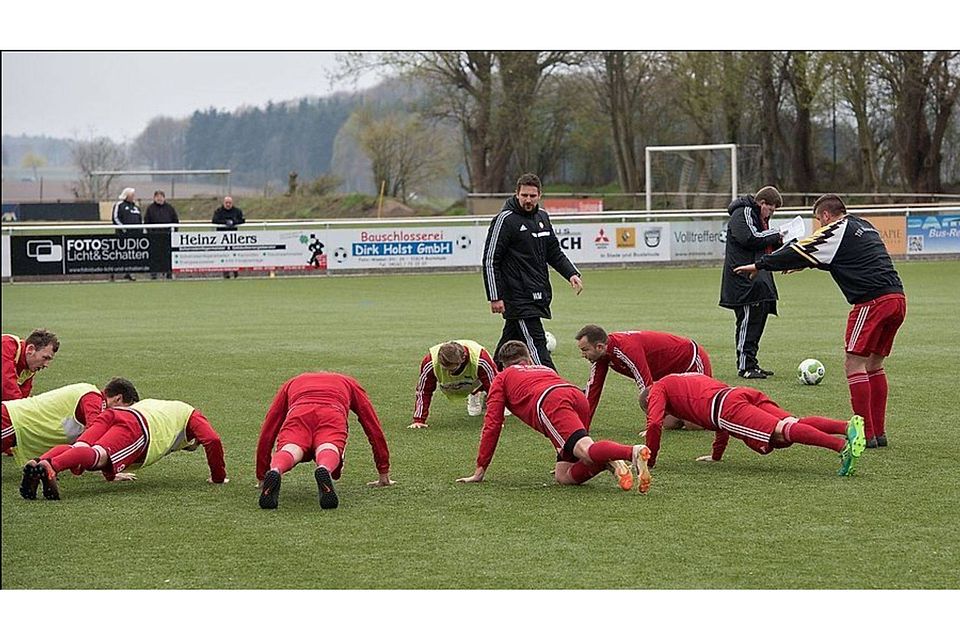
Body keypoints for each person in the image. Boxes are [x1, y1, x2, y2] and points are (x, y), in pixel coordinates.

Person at [734, 193, 907, 448]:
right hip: (897, 299)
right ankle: (878, 434)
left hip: (871, 302)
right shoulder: (864, 225)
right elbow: (845, 257)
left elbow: (801, 248)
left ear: (826, 215)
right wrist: (805, 265)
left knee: (853, 363)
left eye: (818, 220)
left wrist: (760, 265)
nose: (819, 225)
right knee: (874, 365)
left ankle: (865, 433)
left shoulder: (836, 228)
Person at [455, 340, 653, 494]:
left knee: (586, 450)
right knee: (564, 475)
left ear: (503, 365)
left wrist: (481, 468)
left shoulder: (502, 378)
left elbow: (493, 424)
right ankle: (608, 460)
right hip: (576, 396)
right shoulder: (544, 368)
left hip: (551, 402)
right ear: (529, 359)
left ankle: (631, 452)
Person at [639, 373, 866, 476]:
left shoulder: (658, 389)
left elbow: (655, 424)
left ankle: (841, 448)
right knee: (790, 423)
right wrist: (716, 455)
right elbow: (719, 424)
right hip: (739, 393)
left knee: (781, 433)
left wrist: (651, 459)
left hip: (726, 408)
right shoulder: (683, 379)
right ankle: (846, 427)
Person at [21, 397, 227, 500]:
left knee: (80, 446)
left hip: (116, 414)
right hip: (138, 427)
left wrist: (112, 475)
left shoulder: (167, 406)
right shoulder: (192, 415)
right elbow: (212, 439)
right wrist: (218, 477)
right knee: (98, 457)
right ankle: (52, 467)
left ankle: (40, 462)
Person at [482, 173, 583, 371]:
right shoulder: (505, 220)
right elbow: (490, 260)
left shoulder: (542, 217)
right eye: (524, 195)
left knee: (507, 345)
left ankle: (486, 385)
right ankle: (554, 388)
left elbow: (553, 251)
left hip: (537, 292)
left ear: (539, 195)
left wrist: (571, 273)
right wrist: (495, 296)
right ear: (517, 194)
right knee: (536, 344)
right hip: (516, 295)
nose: (528, 200)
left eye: (532, 196)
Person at [255, 372, 393, 510]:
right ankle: (324, 468)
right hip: (331, 414)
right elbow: (372, 425)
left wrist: (262, 475)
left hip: (299, 413)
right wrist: (383, 471)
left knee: (290, 448)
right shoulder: (349, 383)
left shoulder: (292, 382)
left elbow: (270, 427)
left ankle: (275, 470)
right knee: (328, 446)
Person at [3, 378, 139, 494]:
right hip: (11, 422)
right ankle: (49, 466)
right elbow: (95, 437)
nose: (122, 416)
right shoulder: (93, 399)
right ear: (118, 398)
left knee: (74, 446)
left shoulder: (89, 394)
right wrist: (110, 468)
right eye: (125, 409)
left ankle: (40, 464)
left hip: (14, 424)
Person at [575, 324, 710, 430]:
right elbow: (593, 389)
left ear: (599, 346)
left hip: (691, 360)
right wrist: (582, 427)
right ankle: (686, 411)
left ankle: (712, 414)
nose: (583, 355)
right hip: (671, 376)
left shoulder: (626, 349)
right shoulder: (602, 355)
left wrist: (651, 426)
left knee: (694, 425)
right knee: (670, 423)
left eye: (585, 350)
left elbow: (646, 386)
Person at [719, 185, 785, 379]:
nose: (770, 213)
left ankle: (752, 363)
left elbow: (762, 241)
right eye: (770, 209)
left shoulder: (758, 218)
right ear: (761, 203)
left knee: (756, 321)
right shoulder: (744, 212)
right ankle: (745, 366)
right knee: (748, 321)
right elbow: (750, 237)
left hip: (757, 280)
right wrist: (777, 234)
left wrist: (779, 241)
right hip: (744, 280)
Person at [409, 340, 499, 429]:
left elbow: (494, 387)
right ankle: (474, 393)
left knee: (491, 385)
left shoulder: (481, 359)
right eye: (445, 369)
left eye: (452, 369)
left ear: (463, 359)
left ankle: (476, 392)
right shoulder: (430, 362)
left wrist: (495, 418)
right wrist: (419, 420)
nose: (448, 373)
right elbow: (423, 391)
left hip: (475, 380)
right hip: (449, 386)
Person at [2, 329, 59, 401]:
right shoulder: (6, 344)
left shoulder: (28, 369)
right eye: (45, 358)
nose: (46, 364)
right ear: (30, 349)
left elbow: (23, 397)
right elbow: (6, 385)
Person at [144, 190, 179, 279]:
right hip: (154, 236)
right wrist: (150, 233)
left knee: (167, 255)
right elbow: (147, 222)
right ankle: (154, 273)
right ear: (154, 198)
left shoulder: (169, 208)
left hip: (167, 235)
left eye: (161, 197)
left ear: (164, 197)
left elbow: (175, 221)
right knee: (155, 255)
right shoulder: (150, 208)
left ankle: (168, 272)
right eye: (157, 197)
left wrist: (174, 233)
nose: (159, 199)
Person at [111, 187, 142, 281]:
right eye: (132, 195)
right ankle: (112, 274)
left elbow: (140, 220)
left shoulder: (136, 207)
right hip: (122, 235)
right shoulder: (119, 205)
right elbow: (115, 218)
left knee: (132, 254)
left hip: (135, 235)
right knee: (119, 254)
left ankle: (129, 273)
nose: (133, 196)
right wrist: (123, 229)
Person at [212, 196, 245, 278]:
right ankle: (226, 273)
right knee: (224, 254)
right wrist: (225, 222)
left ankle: (235, 272)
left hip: (234, 237)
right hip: (222, 237)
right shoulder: (218, 211)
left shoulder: (237, 211)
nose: (228, 204)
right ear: (224, 203)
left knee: (234, 254)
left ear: (232, 203)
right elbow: (214, 220)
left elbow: (242, 220)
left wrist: (234, 222)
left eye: (229, 203)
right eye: (226, 203)